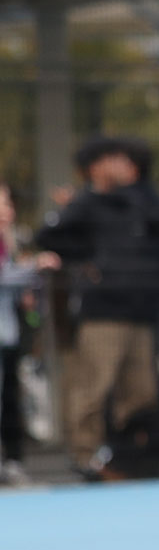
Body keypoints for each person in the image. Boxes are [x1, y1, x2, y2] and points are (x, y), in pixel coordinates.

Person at [35, 138, 159, 480]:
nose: (123, 165)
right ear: (96, 167)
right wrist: (86, 261)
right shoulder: (86, 203)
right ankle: (84, 456)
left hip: (140, 310)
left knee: (141, 392)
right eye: (114, 159)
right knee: (92, 387)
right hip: (102, 312)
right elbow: (49, 236)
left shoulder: (139, 199)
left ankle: (129, 456)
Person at [1, 183, 58, 485]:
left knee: (10, 398)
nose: (6, 210)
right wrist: (34, 266)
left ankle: (13, 462)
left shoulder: (9, 243)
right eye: (1, 204)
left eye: (8, 204)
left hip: (8, 334)